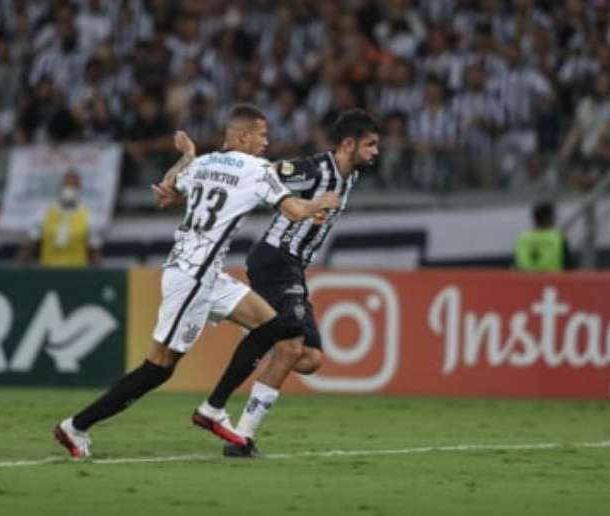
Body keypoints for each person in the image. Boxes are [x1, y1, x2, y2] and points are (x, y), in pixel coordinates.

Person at [52, 104, 341, 458]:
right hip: (193, 276)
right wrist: (321, 202)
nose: (266, 143)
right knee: (157, 369)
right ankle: (76, 427)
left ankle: (213, 408)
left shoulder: (203, 163)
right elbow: (295, 211)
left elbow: (167, 188)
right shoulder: (258, 170)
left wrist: (186, 156)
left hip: (203, 272)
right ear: (242, 136)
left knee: (272, 326)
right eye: (262, 136)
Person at [164, 108, 380, 458]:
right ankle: (239, 433)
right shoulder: (312, 170)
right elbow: (250, 178)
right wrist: (184, 191)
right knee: (292, 347)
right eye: (370, 145)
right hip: (275, 259)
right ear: (348, 144)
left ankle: (258, 330)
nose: (376, 152)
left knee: (309, 358)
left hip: (293, 267)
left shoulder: (349, 177)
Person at [17, 169, 102, 267]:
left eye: (73, 186)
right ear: (60, 187)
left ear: (79, 189)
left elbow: (94, 252)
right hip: (49, 271)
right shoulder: (43, 214)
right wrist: (21, 262)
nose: (69, 189)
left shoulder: (89, 218)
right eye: (66, 185)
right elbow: (31, 245)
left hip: (77, 273)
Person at [514, 202, 574, 272]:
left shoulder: (523, 237)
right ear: (550, 218)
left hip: (526, 279)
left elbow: (518, 262)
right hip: (553, 280)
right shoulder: (558, 237)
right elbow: (568, 265)